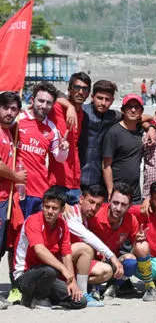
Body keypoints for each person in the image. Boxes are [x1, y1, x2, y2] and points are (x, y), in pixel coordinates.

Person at [13, 187, 86, 309]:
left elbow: (66, 254)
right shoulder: (33, 220)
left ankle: (44, 299)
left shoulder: (62, 225)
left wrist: (72, 281)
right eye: (47, 207)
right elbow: (39, 249)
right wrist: (63, 269)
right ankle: (35, 299)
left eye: (54, 208)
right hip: (25, 275)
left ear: (62, 210)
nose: (50, 211)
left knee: (80, 301)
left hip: (48, 277)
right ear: (42, 206)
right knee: (50, 270)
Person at [86, 182, 156, 302]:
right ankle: (94, 287)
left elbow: (137, 248)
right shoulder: (95, 214)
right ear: (109, 199)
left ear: (130, 206)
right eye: (115, 203)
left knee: (142, 247)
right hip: (92, 261)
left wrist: (139, 239)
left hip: (114, 261)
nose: (118, 208)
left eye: (123, 204)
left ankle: (121, 285)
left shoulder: (131, 220)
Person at [79, 80, 155, 188]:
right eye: (100, 98)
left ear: (112, 100)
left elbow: (136, 117)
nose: (103, 103)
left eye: (107, 99)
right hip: (78, 174)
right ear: (92, 97)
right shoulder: (81, 112)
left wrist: (150, 127)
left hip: (99, 179)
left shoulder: (113, 116)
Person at [63, 184, 123, 305]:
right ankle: (82, 295)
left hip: (71, 261)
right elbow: (87, 236)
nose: (94, 208)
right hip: (58, 260)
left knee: (106, 271)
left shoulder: (85, 219)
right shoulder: (69, 213)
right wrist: (112, 256)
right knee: (86, 248)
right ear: (81, 199)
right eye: (91, 202)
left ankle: (77, 286)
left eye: (98, 204)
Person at [17, 81, 69, 218]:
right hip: (17, 190)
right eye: (41, 101)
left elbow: (59, 157)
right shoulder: (17, 120)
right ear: (32, 100)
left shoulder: (52, 127)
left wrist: (64, 148)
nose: (44, 106)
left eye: (48, 103)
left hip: (40, 191)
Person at [48, 72, 91, 205]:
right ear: (70, 89)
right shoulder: (56, 108)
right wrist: (69, 105)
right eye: (76, 87)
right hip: (56, 182)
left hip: (74, 182)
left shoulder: (82, 114)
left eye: (85, 89)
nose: (80, 92)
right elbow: (46, 91)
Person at [0, 92, 26, 308]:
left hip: (5, 199)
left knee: (4, 245)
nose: (9, 112)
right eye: (5, 107)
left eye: (14, 109)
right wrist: (15, 177)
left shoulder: (9, 133)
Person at [102, 94, 145, 204]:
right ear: (122, 110)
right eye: (129, 107)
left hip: (135, 194)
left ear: (141, 111)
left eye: (136, 107)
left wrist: (150, 127)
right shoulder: (114, 132)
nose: (133, 110)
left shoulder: (141, 131)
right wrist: (111, 191)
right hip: (117, 193)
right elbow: (106, 165)